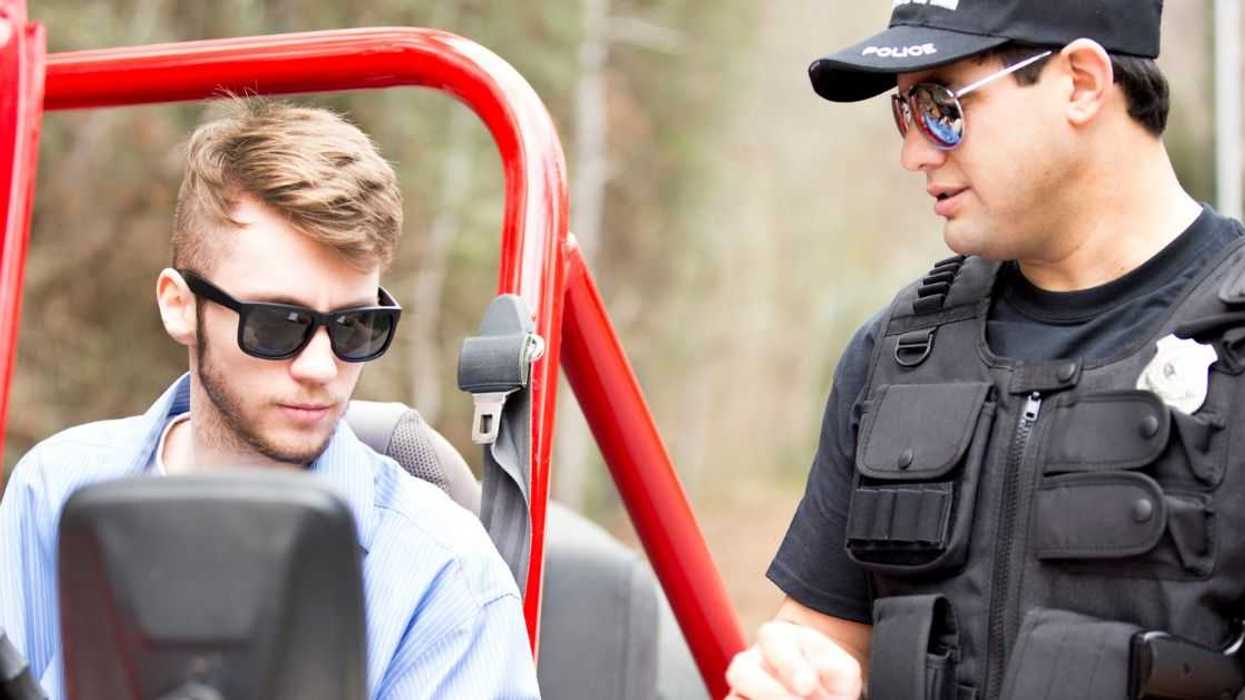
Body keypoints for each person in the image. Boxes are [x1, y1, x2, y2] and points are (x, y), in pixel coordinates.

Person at [727, 1, 1245, 698]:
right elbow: (821, 634)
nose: (914, 152)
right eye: (903, 112)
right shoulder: (894, 352)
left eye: (942, 105)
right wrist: (789, 671)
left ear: (1081, 82)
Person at [0, 99, 541, 699]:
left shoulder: (446, 578)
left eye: (354, 328)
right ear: (180, 305)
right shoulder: (51, 488)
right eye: (277, 326)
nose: (319, 369)